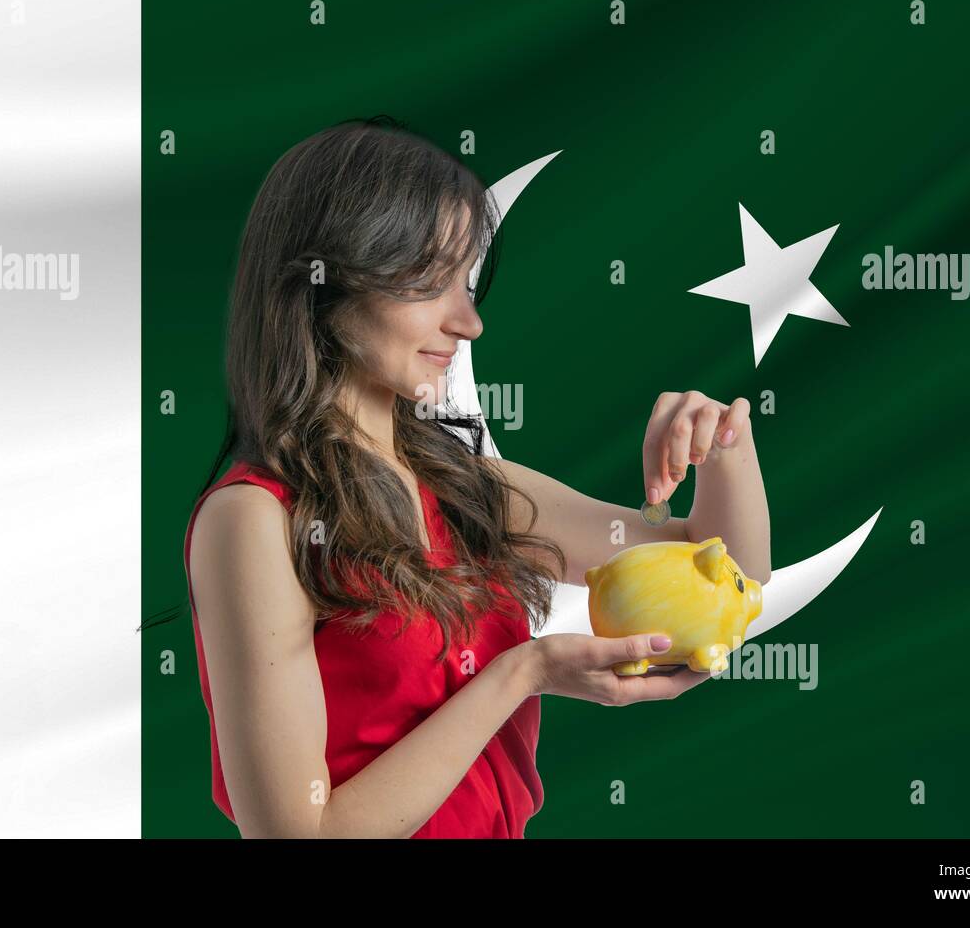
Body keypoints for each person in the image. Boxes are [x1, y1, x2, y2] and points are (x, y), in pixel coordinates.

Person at [183, 115, 771, 838]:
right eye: (431, 281)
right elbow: (297, 834)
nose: (470, 322)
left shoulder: (467, 488)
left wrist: (724, 445)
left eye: (466, 283)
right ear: (324, 281)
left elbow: (730, 579)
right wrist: (523, 673)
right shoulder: (253, 517)